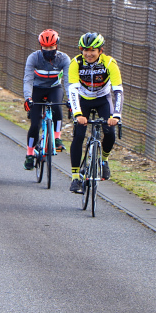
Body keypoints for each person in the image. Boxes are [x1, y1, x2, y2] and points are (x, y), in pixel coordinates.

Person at [67, 32, 123, 193]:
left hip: (102, 99)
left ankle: (103, 161)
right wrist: (77, 114)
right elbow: (72, 90)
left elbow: (118, 90)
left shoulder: (110, 63)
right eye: (85, 50)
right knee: (78, 135)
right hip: (83, 99)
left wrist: (116, 115)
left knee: (110, 131)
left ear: (100, 51)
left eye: (93, 50)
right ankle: (75, 177)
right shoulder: (76, 63)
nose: (88, 53)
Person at [22, 29, 71, 170]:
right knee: (35, 124)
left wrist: (70, 100)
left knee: (56, 106)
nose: (48, 50)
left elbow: (67, 81)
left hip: (54, 88)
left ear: (57, 46)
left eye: (51, 47)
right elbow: (28, 79)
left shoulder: (64, 59)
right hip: (37, 89)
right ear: (40, 46)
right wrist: (28, 98)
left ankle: (56, 138)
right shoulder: (34, 58)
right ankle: (30, 154)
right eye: (45, 47)